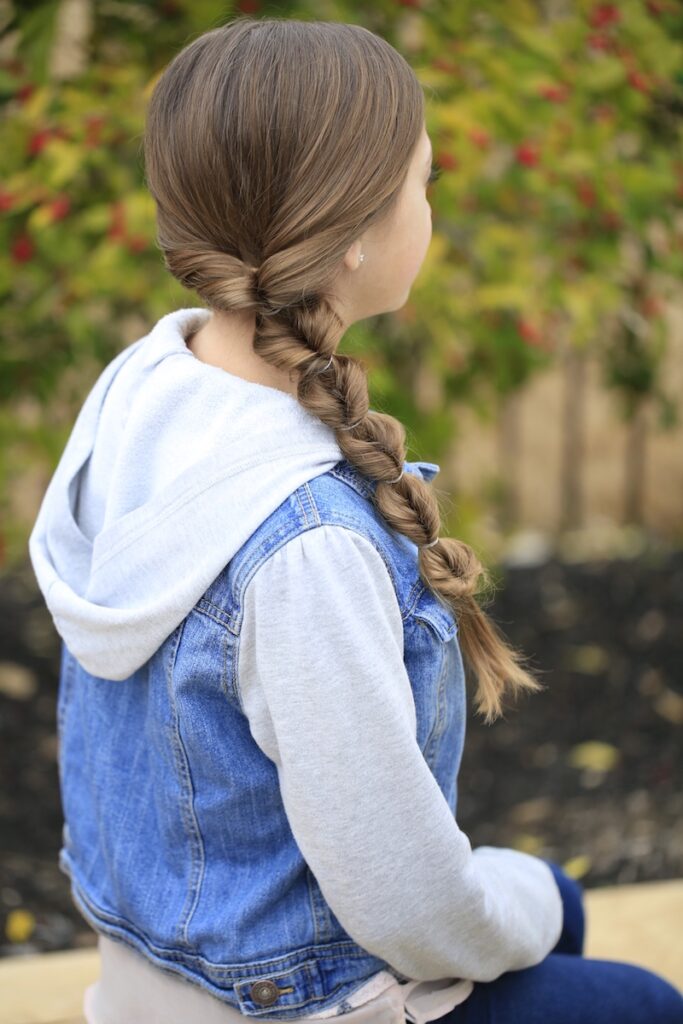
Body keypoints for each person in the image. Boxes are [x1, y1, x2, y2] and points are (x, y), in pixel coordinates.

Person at [28, 16, 682, 1024]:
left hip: (151, 958)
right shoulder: (307, 545)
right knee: (631, 994)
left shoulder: (142, 386)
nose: (432, 203)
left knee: (548, 905)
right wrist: (511, 899)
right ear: (355, 235)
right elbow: (400, 898)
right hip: (284, 1000)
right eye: (423, 180)